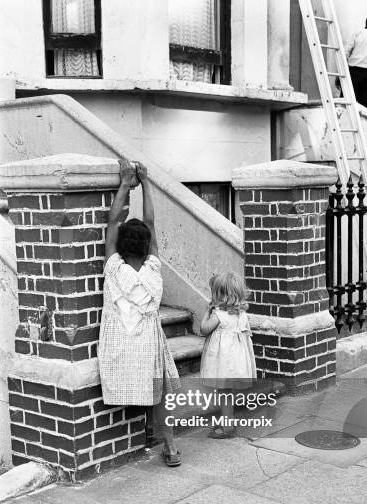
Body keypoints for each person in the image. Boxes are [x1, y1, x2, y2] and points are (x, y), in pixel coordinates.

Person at [98, 159, 181, 467]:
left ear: (120, 246)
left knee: (132, 383)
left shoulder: (113, 268)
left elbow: (112, 223)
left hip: (119, 340)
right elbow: (151, 223)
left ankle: (142, 433)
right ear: (147, 247)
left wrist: (124, 183)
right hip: (147, 340)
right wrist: (145, 182)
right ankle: (169, 447)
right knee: (157, 392)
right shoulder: (153, 268)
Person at [199, 273, 256, 439]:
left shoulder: (218, 316)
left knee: (224, 393)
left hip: (223, 361)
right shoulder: (242, 315)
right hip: (236, 360)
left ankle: (227, 427)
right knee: (227, 393)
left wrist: (206, 313)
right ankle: (227, 420)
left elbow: (204, 330)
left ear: (221, 296)